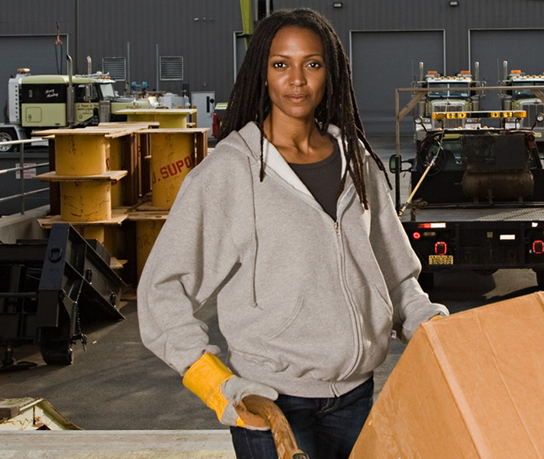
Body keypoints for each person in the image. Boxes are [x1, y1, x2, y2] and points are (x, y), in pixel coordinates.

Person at [137, 8, 448, 459]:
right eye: (281, 64)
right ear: (262, 74)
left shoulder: (355, 160)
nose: (297, 79)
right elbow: (161, 293)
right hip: (271, 402)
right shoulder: (231, 171)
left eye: (313, 64)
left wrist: (433, 327)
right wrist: (221, 389)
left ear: (331, 74)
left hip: (356, 396)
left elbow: (395, 276)